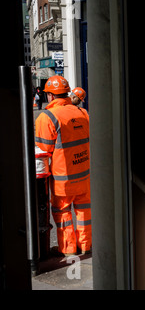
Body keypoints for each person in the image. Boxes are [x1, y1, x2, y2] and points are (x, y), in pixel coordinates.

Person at [35, 75, 91, 257]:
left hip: (62, 179)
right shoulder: (83, 113)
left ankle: (68, 249)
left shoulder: (47, 116)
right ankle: (85, 245)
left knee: (63, 213)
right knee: (84, 213)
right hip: (84, 175)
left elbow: (43, 151)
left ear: (50, 96)